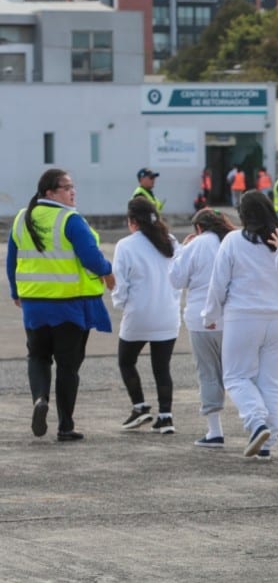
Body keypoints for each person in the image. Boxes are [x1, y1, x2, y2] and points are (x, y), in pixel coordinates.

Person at [7, 169, 115, 441]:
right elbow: (91, 257)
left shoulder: (22, 218)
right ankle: (65, 426)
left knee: (37, 356)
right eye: (67, 187)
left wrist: (15, 292)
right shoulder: (70, 219)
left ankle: (39, 399)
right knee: (68, 367)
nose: (72, 191)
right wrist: (107, 270)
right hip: (69, 306)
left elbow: (12, 259)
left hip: (34, 304)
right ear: (49, 193)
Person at [202, 190, 278, 460]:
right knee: (275, 382)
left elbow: (218, 282)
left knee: (236, 376)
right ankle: (269, 439)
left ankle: (256, 423)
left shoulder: (234, 241)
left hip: (243, 317)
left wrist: (211, 315)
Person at [113, 197, 181, 434]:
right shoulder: (170, 241)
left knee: (126, 361)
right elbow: (179, 277)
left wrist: (120, 304)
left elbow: (120, 285)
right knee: (162, 368)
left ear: (132, 221)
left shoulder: (125, 245)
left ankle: (140, 407)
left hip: (139, 314)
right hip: (168, 315)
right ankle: (166, 416)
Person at [169, 207, 235, 448]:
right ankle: (256, 422)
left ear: (198, 228)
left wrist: (182, 250)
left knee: (208, 373)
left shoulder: (196, 245)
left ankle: (215, 431)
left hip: (200, 319)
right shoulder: (232, 241)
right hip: (233, 318)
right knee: (239, 375)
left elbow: (176, 279)